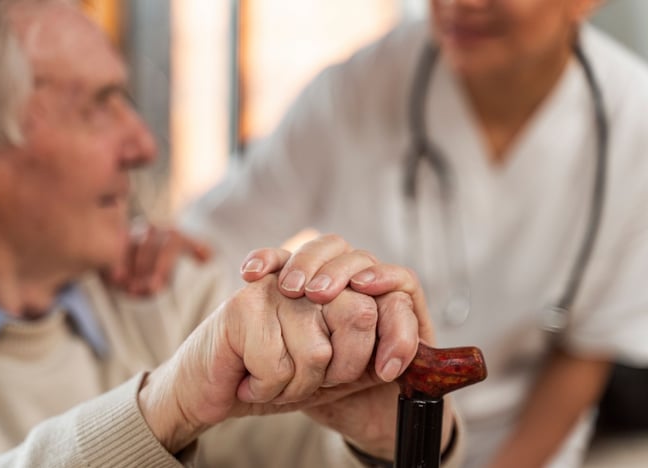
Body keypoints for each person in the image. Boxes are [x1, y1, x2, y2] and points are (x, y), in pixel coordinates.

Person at [0, 0, 465, 466]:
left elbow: (322, 455)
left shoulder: (168, 299)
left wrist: (393, 435)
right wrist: (161, 409)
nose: (144, 145)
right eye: (97, 107)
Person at [123, 0, 648, 466]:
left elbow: (586, 351)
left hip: (527, 443)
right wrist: (167, 246)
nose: (460, 5)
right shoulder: (360, 88)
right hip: (369, 437)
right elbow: (219, 232)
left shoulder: (632, 120)